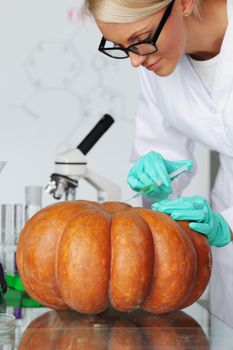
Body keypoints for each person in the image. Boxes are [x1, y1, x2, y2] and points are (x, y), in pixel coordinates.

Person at [83, 0, 233, 326]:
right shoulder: (158, 62)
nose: (136, 60)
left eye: (142, 37)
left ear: (184, 3)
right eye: (124, 48)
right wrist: (158, 175)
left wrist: (229, 224)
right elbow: (163, 150)